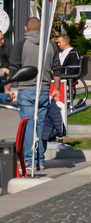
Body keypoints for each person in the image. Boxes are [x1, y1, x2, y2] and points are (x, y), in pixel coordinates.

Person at [15, 18, 54, 173]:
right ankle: (40, 159)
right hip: (44, 89)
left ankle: (30, 161)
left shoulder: (20, 44)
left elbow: (14, 66)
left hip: (25, 89)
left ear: (26, 29)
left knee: (29, 125)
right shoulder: (50, 45)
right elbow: (56, 68)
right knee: (42, 124)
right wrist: (56, 88)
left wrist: (8, 87)